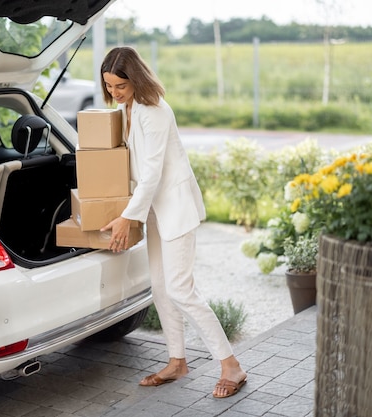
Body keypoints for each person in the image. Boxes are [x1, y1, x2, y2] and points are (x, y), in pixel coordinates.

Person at [99, 46, 247, 399]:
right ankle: (177, 361)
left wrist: (125, 218)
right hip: (153, 209)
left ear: (134, 79)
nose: (114, 93)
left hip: (175, 206)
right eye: (109, 87)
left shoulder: (154, 111)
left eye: (120, 86)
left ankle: (231, 366)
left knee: (181, 289)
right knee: (161, 287)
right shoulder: (128, 107)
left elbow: (151, 175)